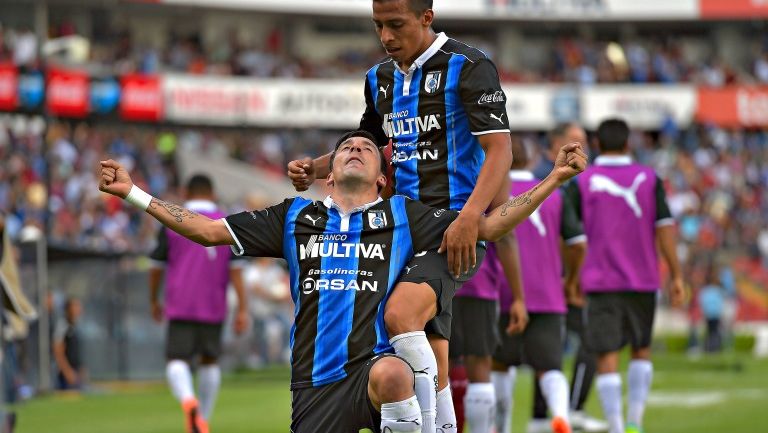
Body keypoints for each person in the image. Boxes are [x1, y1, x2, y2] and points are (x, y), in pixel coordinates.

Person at [100, 130, 587, 433]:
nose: (355, 148)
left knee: (395, 374)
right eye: (345, 148)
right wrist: (133, 192)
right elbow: (205, 230)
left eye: (367, 148)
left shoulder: (404, 215)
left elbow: (489, 225)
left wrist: (553, 180)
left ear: (381, 178)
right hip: (314, 380)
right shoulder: (294, 216)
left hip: (374, 372)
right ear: (327, 176)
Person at [287, 1, 515, 430]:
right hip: (398, 230)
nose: (386, 37)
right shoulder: (380, 79)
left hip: (451, 228)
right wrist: (315, 169)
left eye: (396, 25)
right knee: (434, 354)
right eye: (378, 26)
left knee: (400, 317)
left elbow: (500, 149)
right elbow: (365, 143)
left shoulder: (469, 66)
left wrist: (469, 217)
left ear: (426, 18)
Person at [566, 118, 685, 433]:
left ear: (597, 145)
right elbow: (665, 228)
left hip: (600, 281)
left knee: (606, 355)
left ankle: (617, 427)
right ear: (628, 144)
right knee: (641, 349)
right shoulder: (649, 178)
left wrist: (572, 277)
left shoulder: (583, 181)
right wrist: (675, 275)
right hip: (643, 280)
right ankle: (635, 422)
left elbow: (571, 237)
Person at [492, 138, 586, 433]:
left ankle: (502, 426)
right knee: (550, 366)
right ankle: (561, 416)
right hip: (548, 293)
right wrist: (569, 279)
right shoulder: (553, 192)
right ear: (531, 161)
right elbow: (578, 243)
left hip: (504, 292)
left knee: (500, 364)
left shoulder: (494, 192)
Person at [148, 174, 249, 433]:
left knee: (176, 359)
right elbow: (236, 270)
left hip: (180, 302)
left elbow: (156, 265)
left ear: (185, 192)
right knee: (209, 360)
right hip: (213, 305)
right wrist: (243, 309)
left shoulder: (172, 218)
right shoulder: (227, 220)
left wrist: (153, 299)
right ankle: (202, 417)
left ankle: (188, 400)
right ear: (212, 193)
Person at [536, 123, 606, 432]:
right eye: (576, 142)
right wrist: (572, 278)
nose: (583, 147)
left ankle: (546, 415)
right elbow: (569, 237)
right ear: (557, 143)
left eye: (585, 141)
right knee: (582, 338)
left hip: (551, 275)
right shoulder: (552, 179)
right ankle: (569, 410)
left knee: (547, 346)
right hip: (551, 276)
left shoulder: (566, 177)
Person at [448, 242, 526, 433]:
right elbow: (505, 237)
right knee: (480, 368)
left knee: (437, 370)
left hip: (436, 281)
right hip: (479, 281)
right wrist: (518, 298)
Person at [52, 298, 83, 391]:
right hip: (65, 374)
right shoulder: (62, 325)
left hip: (75, 372)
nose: (77, 309)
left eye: (78, 306)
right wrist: (67, 371)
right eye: (74, 306)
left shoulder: (75, 325)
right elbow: (57, 350)